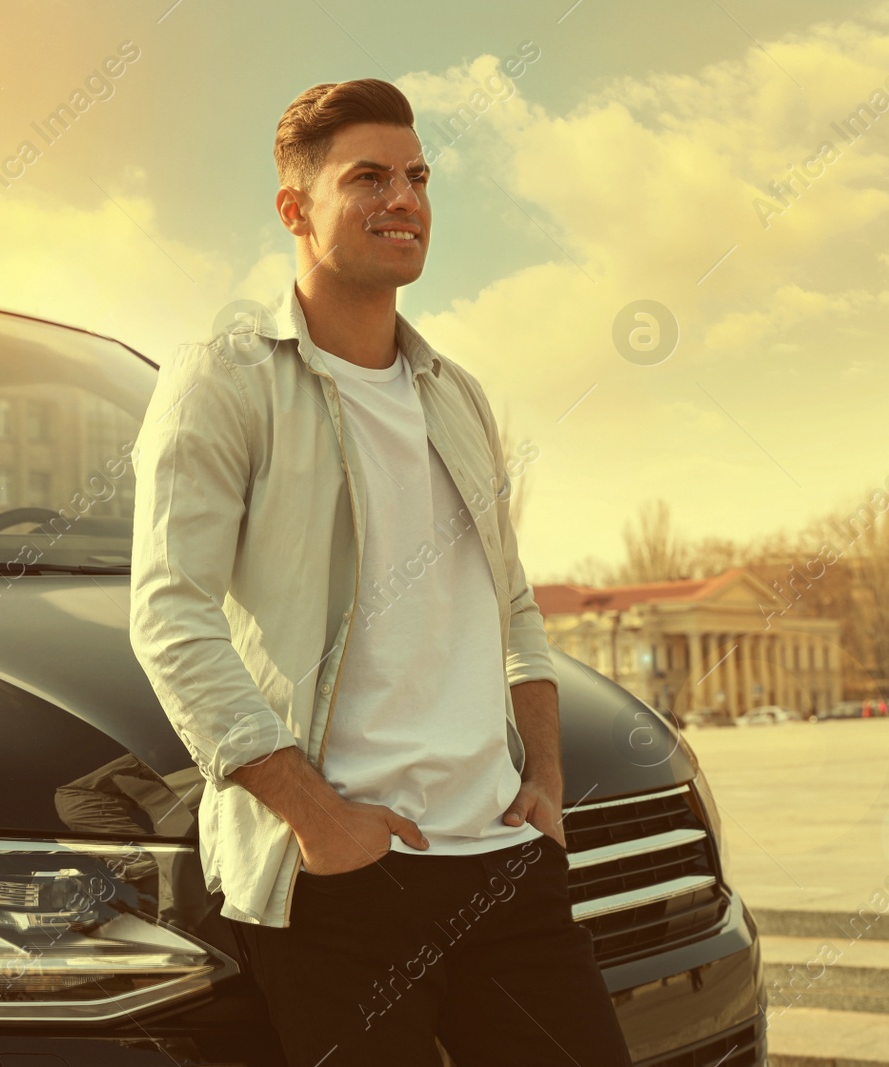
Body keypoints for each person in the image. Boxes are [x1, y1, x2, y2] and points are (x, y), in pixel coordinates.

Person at [128, 79, 632, 1066]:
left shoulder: (458, 395)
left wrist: (545, 778)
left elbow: (512, 602)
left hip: (500, 859)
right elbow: (170, 616)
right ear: (293, 209)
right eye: (368, 177)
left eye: (416, 176)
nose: (403, 198)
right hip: (339, 878)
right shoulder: (224, 379)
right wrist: (317, 818)